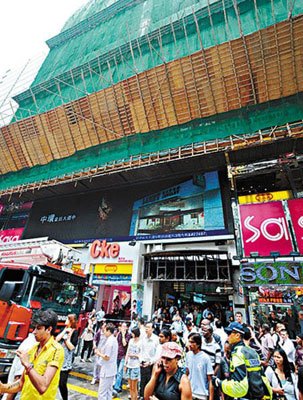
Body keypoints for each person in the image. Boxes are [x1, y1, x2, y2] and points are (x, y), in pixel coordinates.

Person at [0, 309, 64, 400]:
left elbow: (43, 387)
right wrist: (3, 388)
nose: (34, 332)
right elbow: (21, 383)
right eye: (34, 328)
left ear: (49, 329)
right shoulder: (33, 349)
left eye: (38, 328)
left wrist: (27, 365)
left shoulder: (56, 350)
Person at [213, 321, 272, 400]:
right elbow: (261, 377)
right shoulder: (252, 351)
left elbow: (240, 387)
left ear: (237, 335)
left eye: (229, 333)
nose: (227, 337)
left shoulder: (237, 353)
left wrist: (218, 383)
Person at [56, 313, 78, 400]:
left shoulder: (75, 332)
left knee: (62, 383)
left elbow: (72, 347)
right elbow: (56, 339)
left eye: (67, 319)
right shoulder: (63, 329)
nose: (65, 320)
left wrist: (66, 339)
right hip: (58, 357)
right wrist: (65, 331)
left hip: (66, 361)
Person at [186, 332, 214, 400]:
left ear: (198, 344)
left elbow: (210, 380)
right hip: (189, 392)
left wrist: (210, 398)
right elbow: (187, 372)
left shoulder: (205, 358)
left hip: (201, 395)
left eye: (192, 342)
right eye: (189, 342)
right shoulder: (188, 355)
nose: (190, 344)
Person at [95, 322, 118, 400]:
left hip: (107, 370)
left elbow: (107, 357)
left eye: (104, 331)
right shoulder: (113, 339)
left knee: (102, 393)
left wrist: (98, 353)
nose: (103, 332)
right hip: (111, 370)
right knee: (108, 391)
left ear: (108, 331)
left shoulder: (110, 342)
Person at [139, 321, 159, 399]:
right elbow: (141, 350)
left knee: (150, 384)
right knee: (142, 383)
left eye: (148, 327)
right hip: (143, 364)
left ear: (153, 329)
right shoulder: (143, 338)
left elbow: (157, 354)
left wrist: (150, 362)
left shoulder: (156, 339)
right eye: (146, 327)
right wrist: (140, 360)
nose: (146, 329)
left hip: (151, 365)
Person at [112, 322, 131, 397]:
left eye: (124, 326)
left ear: (126, 328)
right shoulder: (118, 334)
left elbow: (124, 344)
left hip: (123, 355)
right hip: (117, 354)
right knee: (116, 371)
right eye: (121, 326)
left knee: (120, 371)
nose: (122, 328)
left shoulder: (128, 335)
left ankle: (116, 387)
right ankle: (118, 385)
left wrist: (123, 335)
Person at [125, 327, 142, 400]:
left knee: (134, 387)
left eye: (132, 333)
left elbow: (141, 354)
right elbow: (127, 352)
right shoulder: (131, 341)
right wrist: (125, 364)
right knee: (130, 387)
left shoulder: (141, 342)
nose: (131, 334)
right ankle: (132, 398)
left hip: (136, 365)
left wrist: (134, 355)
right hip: (129, 364)